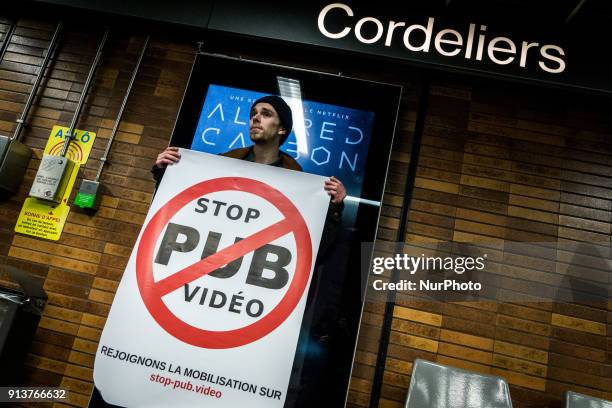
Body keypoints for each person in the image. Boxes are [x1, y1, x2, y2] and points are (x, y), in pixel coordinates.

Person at [151, 95, 347, 251]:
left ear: (282, 129)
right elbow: (181, 208)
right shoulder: (220, 165)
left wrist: (335, 208)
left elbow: (313, 248)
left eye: (266, 113)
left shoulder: (299, 184)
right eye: (253, 113)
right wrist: (166, 172)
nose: (255, 117)